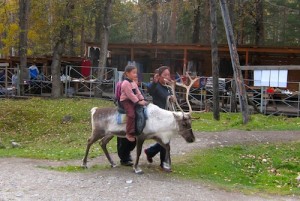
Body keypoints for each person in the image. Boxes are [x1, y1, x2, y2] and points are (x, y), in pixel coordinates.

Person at [144, 66, 175, 171]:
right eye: (165, 75)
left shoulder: (168, 87)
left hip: (168, 116)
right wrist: (154, 82)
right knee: (165, 140)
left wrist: (173, 98)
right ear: (160, 76)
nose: (167, 77)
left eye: (168, 74)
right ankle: (164, 163)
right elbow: (149, 90)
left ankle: (150, 152)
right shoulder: (156, 86)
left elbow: (172, 99)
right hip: (159, 117)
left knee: (165, 139)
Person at [120, 65, 147, 142]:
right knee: (131, 114)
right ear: (127, 73)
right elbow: (130, 94)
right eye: (133, 73)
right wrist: (138, 102)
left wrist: (142, 99)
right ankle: (129, 133)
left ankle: (138, 128)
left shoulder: (133, 82)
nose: (135, 74)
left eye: (136, 73)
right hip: (126, 101)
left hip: (132, 100)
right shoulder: (125, 83)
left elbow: (137, 92)